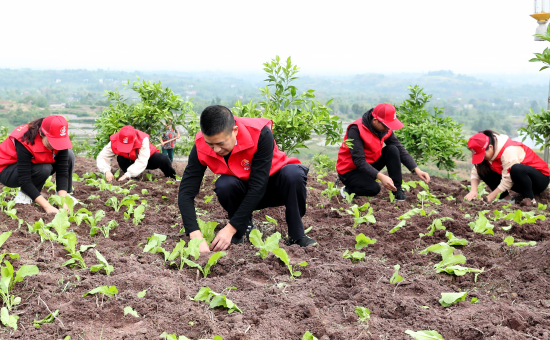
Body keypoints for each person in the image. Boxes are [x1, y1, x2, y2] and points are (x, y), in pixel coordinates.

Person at [178, 105, 315, 252]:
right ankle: (242, 230)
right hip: (243, 193)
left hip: (274, 189)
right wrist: (194, 234)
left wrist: (230, 228)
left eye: (220, 143)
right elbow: (186, 191)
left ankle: (297, 235)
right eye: (210, 144)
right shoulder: (200, 145)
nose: (216, 150)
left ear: (235, 131)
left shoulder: (259, 133)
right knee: (225, 185)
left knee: (293, 174)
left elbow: (258, 186)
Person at [336, 103, 430, 200]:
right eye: (386, 125)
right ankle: (348, 190)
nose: (388, 128)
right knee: (373, 189)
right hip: (349, 170)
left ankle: (397, 191)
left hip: (368, 166)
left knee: (392, 149)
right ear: (375, 120)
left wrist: (416, 169)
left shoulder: (384, 129)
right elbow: (359, 161)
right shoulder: (356, 129)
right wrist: (381, 176)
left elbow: (399, 148)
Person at [0, 115, 74, 214]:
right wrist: (47, 206)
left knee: (69, 155)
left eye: (57, 142)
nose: (54, 146)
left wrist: (62, 202)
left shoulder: (59, 138)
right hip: (7, 171)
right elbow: (24, 180)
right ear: (42, 133)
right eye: (51, 142)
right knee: (44, 168)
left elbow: (62, 173)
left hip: (33, 164)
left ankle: (63, 195)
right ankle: (24, 196)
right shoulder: (25, 139)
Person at [464, 130, 550, 205]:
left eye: (483, 154)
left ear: (490, 147)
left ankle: (530, 200)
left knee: (516, 169)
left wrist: (489, 198)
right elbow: (476, 170)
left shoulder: (508, 150)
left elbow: (507, 180)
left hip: (539, 181)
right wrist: (473, 191)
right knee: (482, 169)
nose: (482, 158)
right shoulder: (489, 152)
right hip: (519, 182)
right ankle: (506, 199)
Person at [96, 125, 176, 181]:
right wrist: (107, 171)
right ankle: (133, 179)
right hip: (130, 160)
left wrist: (127, 174)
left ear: (134, 139)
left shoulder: (143, 139)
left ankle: (172, 178)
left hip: (147, 159)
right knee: (121, 158)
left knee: (163, 158)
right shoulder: (114, 140)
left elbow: (142, 160)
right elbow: (102, 156)